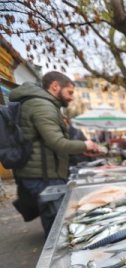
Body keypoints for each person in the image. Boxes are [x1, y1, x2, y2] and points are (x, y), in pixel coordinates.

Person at [9, 71, 99, 236]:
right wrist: (85, 145)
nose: (71, 97)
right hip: (44, 176)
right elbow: (56, 142)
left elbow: (45, 143)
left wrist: (79, 151)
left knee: (54, 221)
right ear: (55, 86)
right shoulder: (42, 105)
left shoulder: (41, 104)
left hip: (42, 173)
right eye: (70, 92)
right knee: (56, 228)